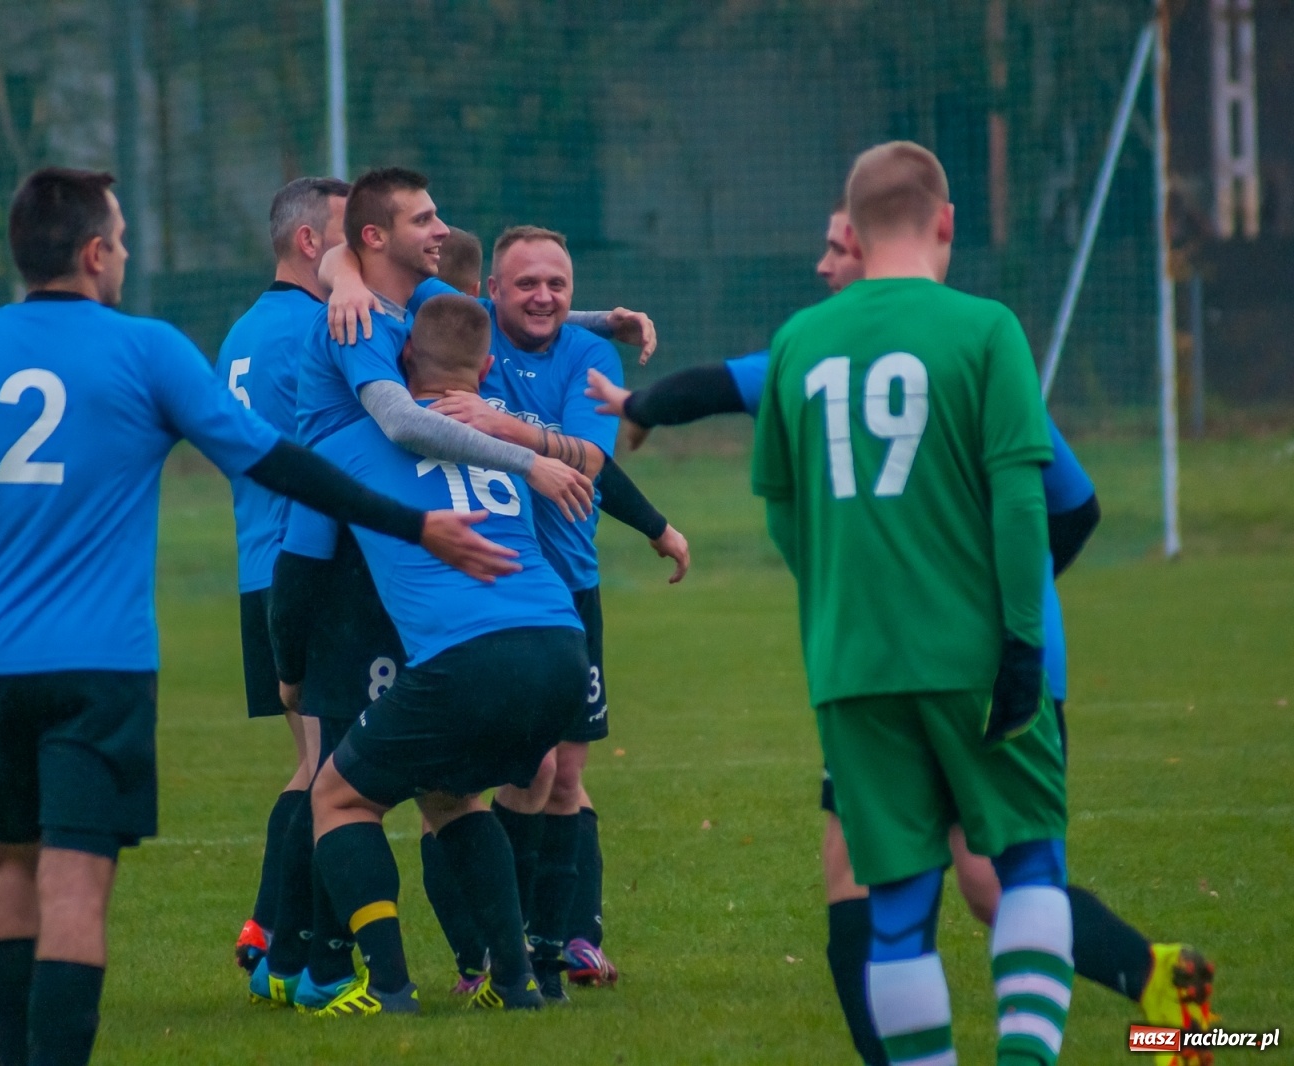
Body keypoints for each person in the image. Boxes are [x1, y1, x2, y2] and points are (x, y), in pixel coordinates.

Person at [0, 167, 517, 1066]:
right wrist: (418, 520)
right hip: (99, 663)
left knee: (12, 863)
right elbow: (279, 464)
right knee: (76, 884)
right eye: (123, 237)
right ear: (97, 252)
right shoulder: (146, 350)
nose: (130, 253)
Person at [590, 199, 1216, 1065]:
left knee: (972, 889)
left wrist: (999, 610)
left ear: (875, 243)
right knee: (957, 885)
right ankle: (1163, 981)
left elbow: (1072, 506)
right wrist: (643, 403)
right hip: (899, 661)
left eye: (833, 242)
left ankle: (1161, 985)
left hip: (965, 662)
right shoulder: (824, 354)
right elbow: (725, 385)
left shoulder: (957, 350)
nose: (822, 262)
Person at [753, 142, 1073, 1066]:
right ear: (945, 223)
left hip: (850, 666)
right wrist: (1020, 642)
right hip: (971, 654)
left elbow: (782, 510)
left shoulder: (797, 342)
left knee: (895, 903)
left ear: (850, 231)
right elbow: (1021, 501)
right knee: (1028, 864)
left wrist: (842, 602)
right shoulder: (984, 329)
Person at [273, 293, 590, 1015]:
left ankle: (390, 985)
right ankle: (515, 983)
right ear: (484, 368)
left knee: (340, 798)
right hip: (560, 646)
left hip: (468, 656)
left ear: (402, 357)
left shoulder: (343, 444)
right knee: (452, 796)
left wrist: (291, 676)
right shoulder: (496, 447)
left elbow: (297, 573)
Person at [217, 176, 351, 976]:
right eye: (349, 233)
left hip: (256, 571)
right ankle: (292, 946)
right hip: (307, 571)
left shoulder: (242, 330)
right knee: (332, 773)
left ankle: (268, 930)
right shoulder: (315, 327)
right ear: (310, 243)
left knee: (310, 765)